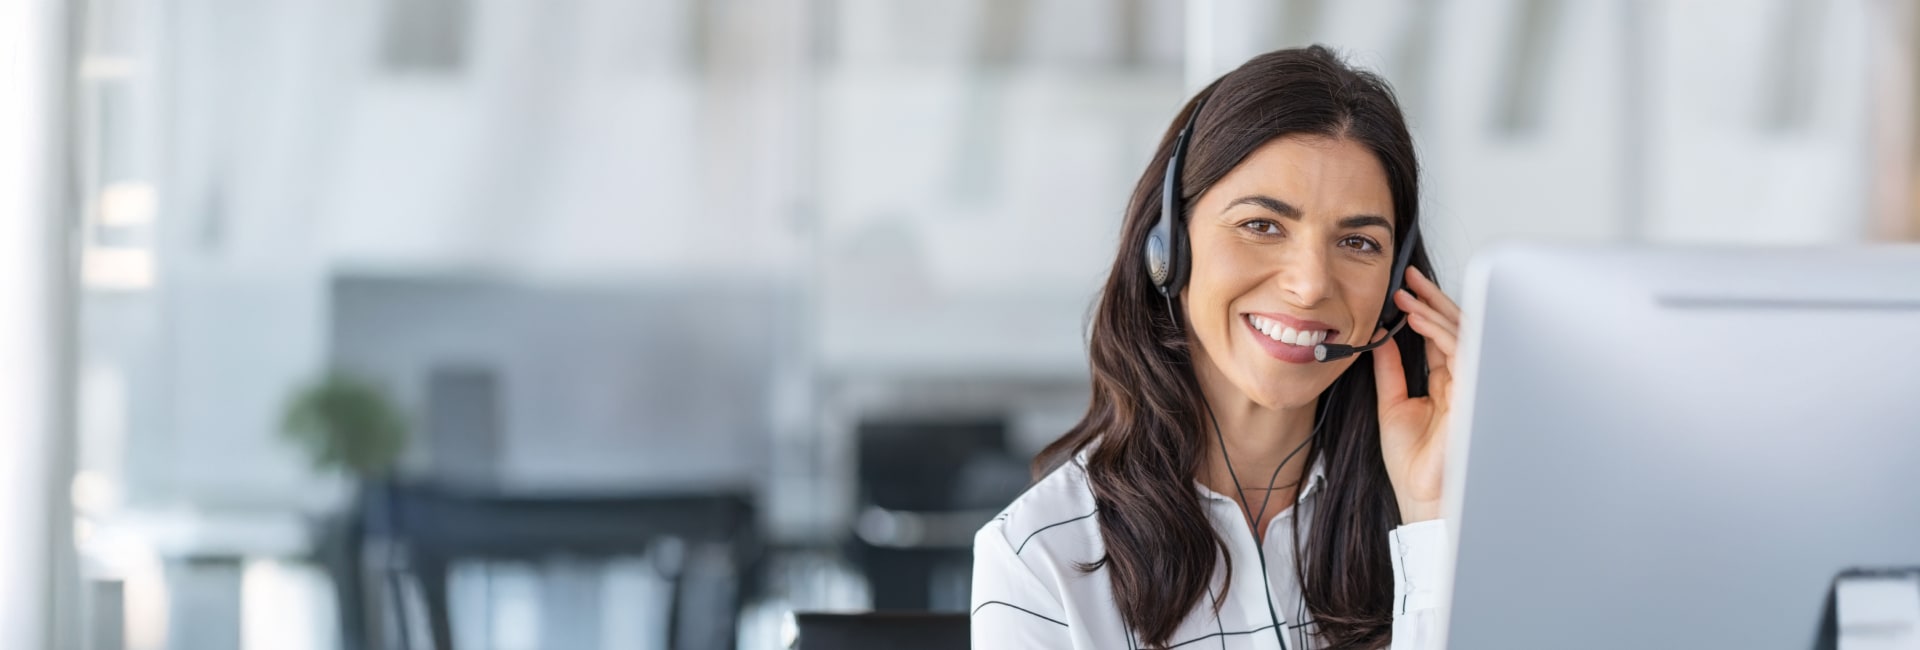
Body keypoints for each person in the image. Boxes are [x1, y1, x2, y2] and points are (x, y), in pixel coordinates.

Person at [970, 45, 1462, 650]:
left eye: (1358, 242)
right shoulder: (1040, 556)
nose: (1309, 286)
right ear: (1169, 248)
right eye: (1262, 225)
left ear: (1394, 289)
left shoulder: (1447, 525)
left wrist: (1431, 515)